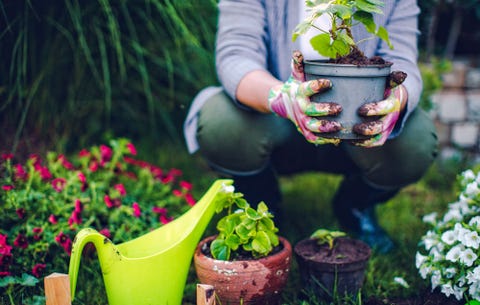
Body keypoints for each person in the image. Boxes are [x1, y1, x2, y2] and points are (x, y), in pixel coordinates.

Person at [183, 0, 438, 253]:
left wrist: (397, 100)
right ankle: (261, 199)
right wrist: (283, 98)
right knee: (221, 122)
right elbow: (236, 56)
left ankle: (355, 204)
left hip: (357, 126)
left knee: (415, 141)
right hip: (274, 122)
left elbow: (402, 60)